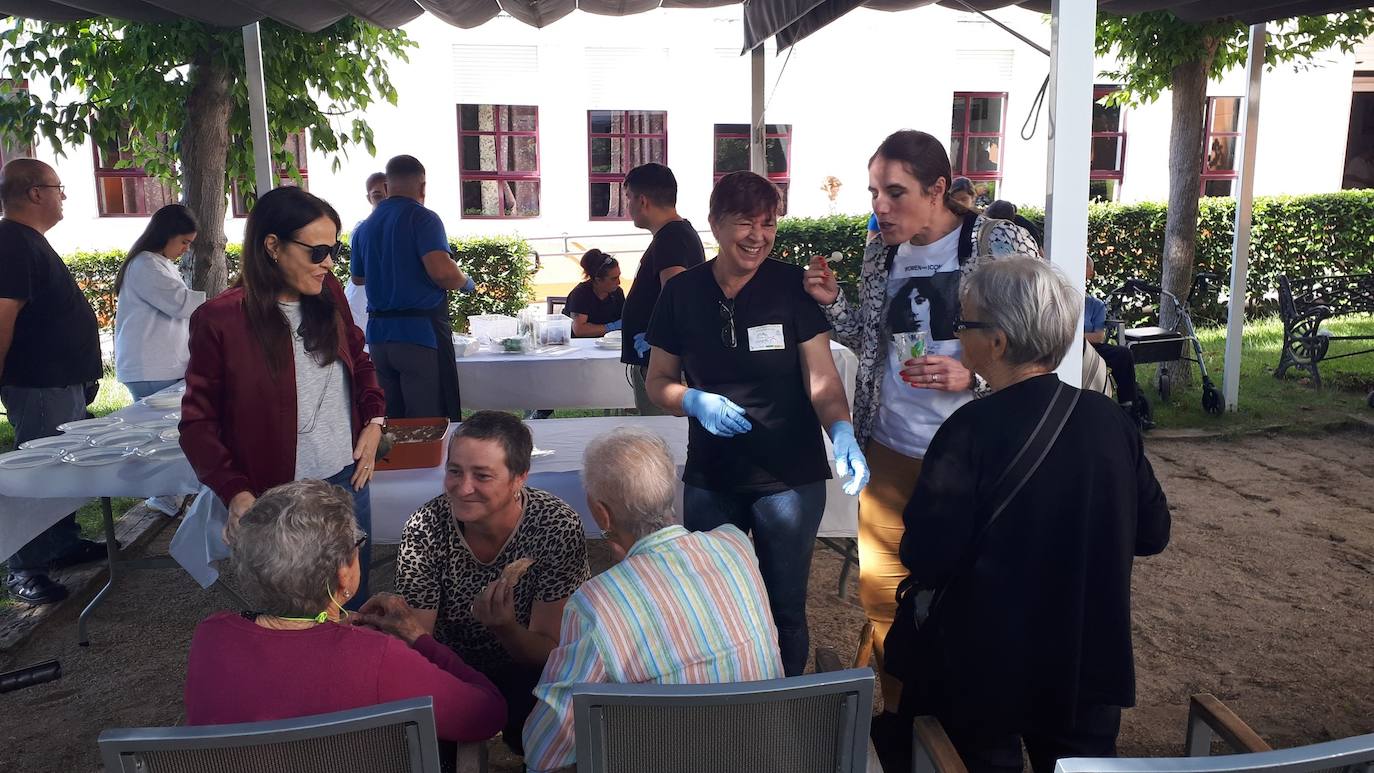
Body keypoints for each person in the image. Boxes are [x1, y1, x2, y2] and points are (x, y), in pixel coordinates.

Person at [885, 257, 1170, 773]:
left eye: (963, 323)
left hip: (986, 668)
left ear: (996, 342)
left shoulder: (967, 431)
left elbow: (927, 555)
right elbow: (1153, 533)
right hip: (1088, 659)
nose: (955, 334)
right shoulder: (1109, 419)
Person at [802, 130, 1041, 719]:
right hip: (889, 449)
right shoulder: (882, 248)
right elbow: (869, 338)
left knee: (974, 595)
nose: (879, 205)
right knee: (883, 593)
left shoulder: (997, 240)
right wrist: (834, 302)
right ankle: (904, 718)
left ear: (937, 190)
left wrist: (975, 377)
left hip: (977, 456)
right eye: (873, 191)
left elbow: (1041, 343)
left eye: (894, 191)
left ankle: (968, 723)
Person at [646, 170, 868, 677]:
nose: (757, 236)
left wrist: (841, 432)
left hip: (789, 478)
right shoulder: (682, 293)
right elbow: (659, 381)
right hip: (713, 476)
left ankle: (782, 714)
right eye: (744, 223)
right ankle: (723, 713)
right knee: (711, 607)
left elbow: (823, 380)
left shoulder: (793, 287)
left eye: (767, 224)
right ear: (715, 224)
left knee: (784, 605)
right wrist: (693, 399)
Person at [522, 428, 784, 772]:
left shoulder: (596, 604)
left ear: (602, 513)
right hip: (769, 754)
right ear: (670, 489)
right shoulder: (735, 546)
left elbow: (546, 751)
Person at [180, 186, 385, 607]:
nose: (328, 262)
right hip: (274, 494)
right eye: (318, 251)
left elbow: (360, 361)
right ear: (272, 246)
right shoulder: (221, 320)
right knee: (290, 611)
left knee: (351, 601)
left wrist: (374, 421)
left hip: (345, 481)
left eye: (334, 250)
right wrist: (235, 491)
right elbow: (198, 423)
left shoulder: (329, 297)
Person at [185, 480, 506, 746]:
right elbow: (486, 715)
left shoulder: (211, 636)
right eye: (357, 543)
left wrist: (331, 625)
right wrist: (419, 637)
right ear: (342, 573)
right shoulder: (378, 658)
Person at [388, 410, 590, 755]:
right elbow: (416, 640)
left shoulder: (556, 526)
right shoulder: (425, 527)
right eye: (454, 471)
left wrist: (506, 628)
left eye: (482, 476)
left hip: (528, 671)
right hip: (449, 666)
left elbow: (550, 653)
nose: (463, 488)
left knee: (547, 741)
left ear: (519, 478)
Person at [0, 159, 109, 605]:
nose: (64, 195)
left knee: (63, 468)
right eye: (58, 187)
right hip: (40, 383)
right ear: (34, 193)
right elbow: (3, 315)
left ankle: (60, 543)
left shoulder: (28, 241)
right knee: (40, 471)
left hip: (61, 382)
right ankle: (24, 567)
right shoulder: (12, 241)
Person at [351, 155, 473, 419]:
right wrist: (465, 282)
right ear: (422, 187)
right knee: (429, 423)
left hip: (380, 338)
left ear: (388, 184)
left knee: (392, 421)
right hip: (420, 335)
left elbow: (358, 278)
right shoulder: (423, 218)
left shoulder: (364, 228)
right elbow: (443, 272)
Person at [113, 203, 206, 517]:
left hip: (162, 363)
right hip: (150, 365)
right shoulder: (145, 265)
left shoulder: (160, 263)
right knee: (162, 435)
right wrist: (219, 298)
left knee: (170, 433)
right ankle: (163, 494)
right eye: (183, 242)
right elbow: (180, 304)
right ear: (166, 235)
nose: (184, 249)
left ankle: (168, 492)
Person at [618, 163, 705, 415]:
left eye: (628, 198)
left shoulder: (671, 238)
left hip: (661, 364)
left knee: (660, 433)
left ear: (642, 200)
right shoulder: (675, 234)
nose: (628, 207)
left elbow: (676, 297)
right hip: (659, 359)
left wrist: (656, 341)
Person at [1084, 256, 1143, 426]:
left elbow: (1098, 336)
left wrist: (1075, 336)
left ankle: (1129, 408)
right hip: (1063, 346)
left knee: (1123, 354)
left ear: (1090, 275)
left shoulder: (1095, 305)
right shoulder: (1060, 298)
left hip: (1090, 347)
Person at [344, 171, 388, 338]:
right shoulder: (361, 229)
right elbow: (359, 277)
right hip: (362, 301)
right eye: (378, 196)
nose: (384, 200)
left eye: (388, 195)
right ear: (369, 198)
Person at [563, 248, 624, 338]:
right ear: (598, 280)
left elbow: (625, 319)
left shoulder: (617, 293)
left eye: (619, 276)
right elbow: (579, 330)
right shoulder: (580, 294)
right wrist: (612, 327)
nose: (619, 282)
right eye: (613, 278)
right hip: (582, 346)